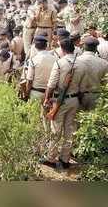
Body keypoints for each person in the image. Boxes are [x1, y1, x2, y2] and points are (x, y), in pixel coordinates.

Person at [41, 38, 86, 169]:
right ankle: (65, 159)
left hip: (60, 100)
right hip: (75, 100)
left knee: (56, 129)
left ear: (62, 49)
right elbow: (83, 85)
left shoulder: (60, 63)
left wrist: (46, 98)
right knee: (69, 130)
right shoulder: (82, 64)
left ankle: (51, 158)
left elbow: (51, 84)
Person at [25, 35, 57, 134]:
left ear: (35, 46)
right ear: (46, 45)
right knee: (47, 119)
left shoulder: (33, 60)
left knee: (34, 118)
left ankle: (35, 138)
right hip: (50, 93)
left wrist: (26, 93)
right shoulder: (54, 59)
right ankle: (47, 137)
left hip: (35, 92)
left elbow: (29, 80)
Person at [78, 37, 108, 111]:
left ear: (84, 47)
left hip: (78, 96)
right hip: (96, 96)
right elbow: (105, 83)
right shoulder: (104, 63)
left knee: (78, 121)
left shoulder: (76, 61)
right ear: (95, 49)